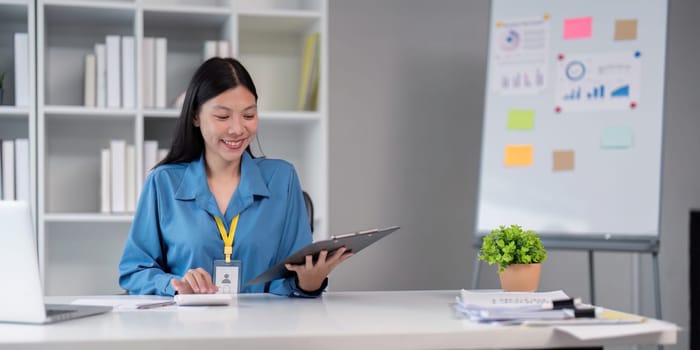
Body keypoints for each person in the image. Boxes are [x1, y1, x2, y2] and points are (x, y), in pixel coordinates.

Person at [118, 57, 351, 297]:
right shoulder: (163, 183)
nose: (238, 129)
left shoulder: (283, 178)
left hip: (264, 328)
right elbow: (133, 272)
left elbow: (289, 279)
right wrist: (175, 285)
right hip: (186, 326)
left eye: (248, 116)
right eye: (222, 117)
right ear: (195, 117)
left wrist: (308, 283)